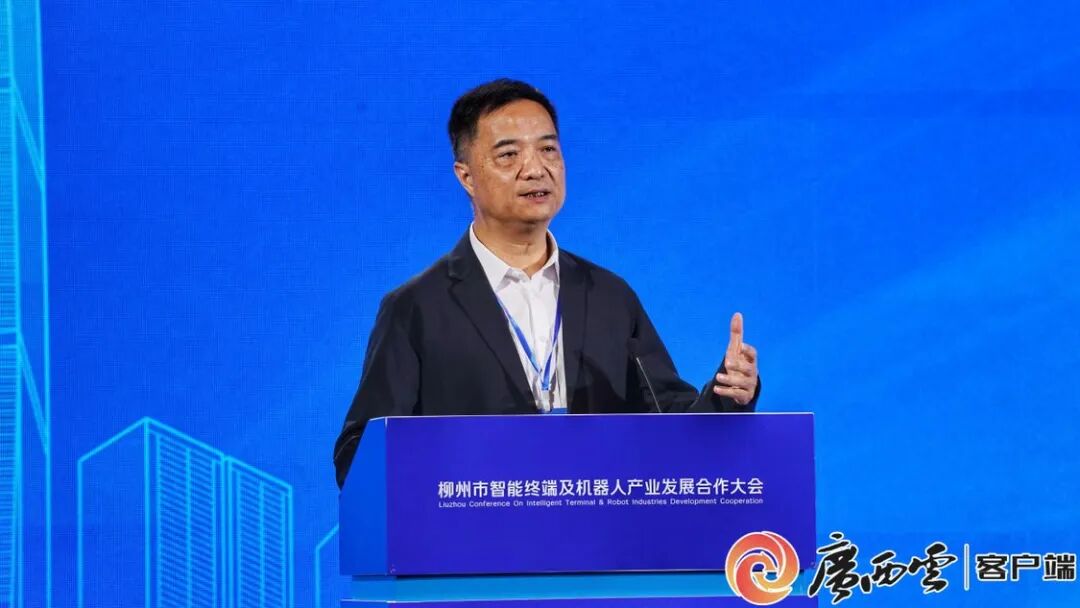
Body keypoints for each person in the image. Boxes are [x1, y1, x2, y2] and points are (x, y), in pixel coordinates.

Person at [334, 79, 760, 488]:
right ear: (466, 176)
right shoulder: (418, 307)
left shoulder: (609, 296)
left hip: (596, 528)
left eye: (548, 149)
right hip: (477, 531)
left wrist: (728, 395)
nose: (535, 169)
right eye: (508, 155)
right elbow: (359, 455)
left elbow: (668, 422)